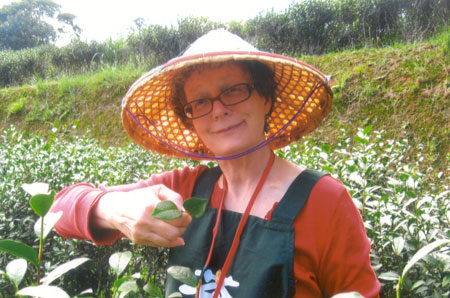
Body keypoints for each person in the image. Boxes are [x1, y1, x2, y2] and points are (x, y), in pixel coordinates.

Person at [51, 29, 380, 298]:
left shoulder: (325, 202)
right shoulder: (183, 189)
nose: (219, 109)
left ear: (266, 98)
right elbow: (58, 211)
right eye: (200, 101)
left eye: (234, 90)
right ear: (190, 118)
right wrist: (113, 209)